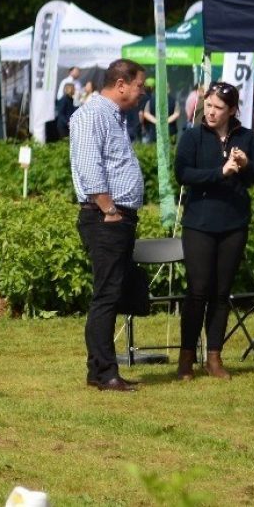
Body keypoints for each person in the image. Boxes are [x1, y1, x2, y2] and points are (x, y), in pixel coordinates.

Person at [173, 81, 254, 380]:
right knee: (197, 291)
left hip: (233, 224)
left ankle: (214, 357)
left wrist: (246, 166)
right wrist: (220, 172)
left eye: (218, 107)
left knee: (221, 293)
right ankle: (186, 357)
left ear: (232, 110)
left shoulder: (247, 138)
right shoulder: (192, 137)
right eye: (208, 104)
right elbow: (183, 174)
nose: (211, 111)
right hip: (199, 224)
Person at [68, 58, 148, 392]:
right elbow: (89, 165)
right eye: (139, 86)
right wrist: (109, 209)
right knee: (107, 296)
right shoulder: (93, 114)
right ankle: (104, 371)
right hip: (105, 218)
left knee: (114, 292)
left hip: (114, 218)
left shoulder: (113, 117)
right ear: (121, 84)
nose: (142, 93)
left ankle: (98, 370)